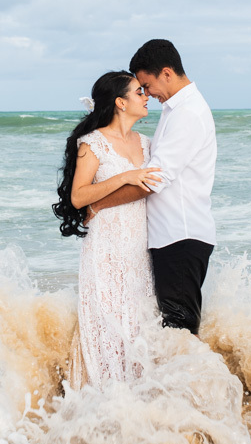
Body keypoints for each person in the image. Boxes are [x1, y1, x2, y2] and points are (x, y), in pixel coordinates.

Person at [87, 40, 217, 336]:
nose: (146, 94)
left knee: (179, 332)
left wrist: (97, 204)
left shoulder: (187, 114)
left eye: (147, 85)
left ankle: (197, 382)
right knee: (172, 329)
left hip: (180, 236)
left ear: (167, 73)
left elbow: (153, 181)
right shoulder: (176, 109)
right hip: (172, 236)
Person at [53, 71, 161, 388]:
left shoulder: (147, 143)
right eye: (139, 92)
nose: (145, 96)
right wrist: (124, 177)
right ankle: (103, 399)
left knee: (138, 323)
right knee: (109, 323)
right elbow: (78, 196)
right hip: (106, 247)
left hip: (139, 246)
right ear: (120, 102)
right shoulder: (92, 143)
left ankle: (140, 403)